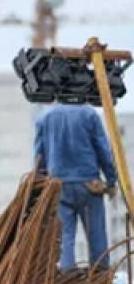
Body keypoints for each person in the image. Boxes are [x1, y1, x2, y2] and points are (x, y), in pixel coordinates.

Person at [34, 104, 118, 270]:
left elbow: (39, 154)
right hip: (89, 184)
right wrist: (110, 179)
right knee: (96, 235)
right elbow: (103, 149)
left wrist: (40, 181)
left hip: (58, 185)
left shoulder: (45, 117)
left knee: (65, 238)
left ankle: (68, 279)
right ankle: (99, 279)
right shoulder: (89, 115)